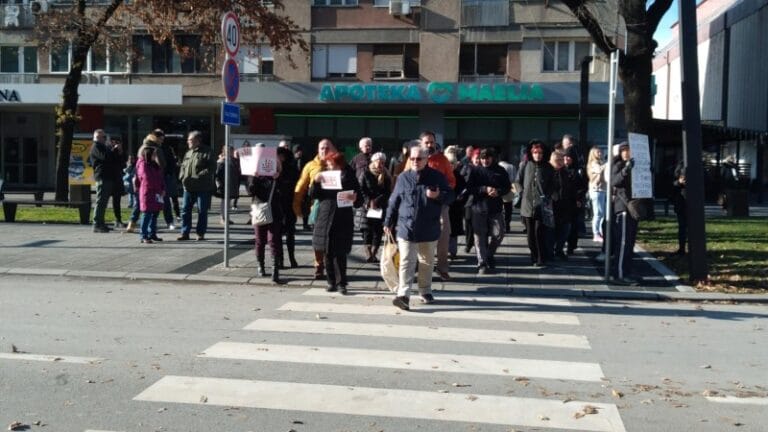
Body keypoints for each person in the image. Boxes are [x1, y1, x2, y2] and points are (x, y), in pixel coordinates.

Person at [385, 145, 455, 311]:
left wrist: (438, 195)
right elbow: (393, 201)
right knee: (406, 261)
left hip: (429, 227)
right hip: (406, 227)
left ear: (426, 160)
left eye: (419, 159)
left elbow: (451, 196)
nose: (415, 161)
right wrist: (388, 221)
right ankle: (403, 295)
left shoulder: (436, 177)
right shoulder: (403, 177)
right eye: (413, 158)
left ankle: (425, 290)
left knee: (427, 261)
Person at [310, 151, 362, 294]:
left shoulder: (349, 176)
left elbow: (359, 200)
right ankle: (331, 282)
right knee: (327, 252)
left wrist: (354, 197)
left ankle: (341, 283)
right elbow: (314, 195)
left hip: (342, 218)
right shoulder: (323, 176)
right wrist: (315, 182)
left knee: (340, 253)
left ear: (339, 164)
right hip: (325, 217)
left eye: (332, 164)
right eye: (327, 164)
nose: (329, 167)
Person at [414, 131, 456, 281]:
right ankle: (418, 266)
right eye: (427, 142)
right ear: (421, 144)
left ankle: (442, 267)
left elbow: (452, 181)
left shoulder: (442, 160)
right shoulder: (413, 159)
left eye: (432, 142)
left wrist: (441, 192)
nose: (430, 145)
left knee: (444, 233)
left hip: (439, 203)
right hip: (419, 204)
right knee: (417, 235)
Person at [294, 139, 337, 279]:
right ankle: (318, 266)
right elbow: (301, 185)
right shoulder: (311, 165)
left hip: (335, 208)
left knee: (332, 240)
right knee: (318, 239)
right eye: (321, 148)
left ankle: (330, 265)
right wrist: (296, 205)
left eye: (327, 148)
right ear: (318, 150)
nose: (324, 150)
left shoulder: (339, 165)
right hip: (318, 207)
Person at [466, 147, 511, 273]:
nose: (485, 161)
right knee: (479, 237)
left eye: (487, 158)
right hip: (478, 208)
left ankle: (489, 254)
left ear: (493, 158)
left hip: (495, 208)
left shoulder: (500, 170)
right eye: (482, 158)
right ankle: (482, 262)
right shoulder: (475, 171)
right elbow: (470, 188)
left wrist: (498, 191)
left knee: (499, 234)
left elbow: (508, 187)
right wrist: (484, 189)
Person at [517, 140, 555, 267]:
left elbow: (553, 185)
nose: (537, 155)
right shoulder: (525, 165)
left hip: (541, 206)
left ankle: (541, 258)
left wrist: (547, 196)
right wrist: (521, 192)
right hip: (527, 206)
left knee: (539, 232)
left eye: (540, 153)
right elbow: (517, 182)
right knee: (530, 235)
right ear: (531, 153)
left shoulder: (548, 168)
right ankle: (533, 256)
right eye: (535, 152)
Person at [248, 158, 284, 284]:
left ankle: (275, 271)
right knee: (259, 240)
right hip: (259, 210)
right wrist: (254, 178)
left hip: (274, 212)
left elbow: (284, 192)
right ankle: (261, 266)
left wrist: (278, 176)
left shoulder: (277, 176)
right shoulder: (255, 175)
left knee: (273, 240)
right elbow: (250, 192)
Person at [611, 142, 641, 285]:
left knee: (629, 243)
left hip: (632, 209)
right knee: (622, 243)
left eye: (629, 150)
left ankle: (626, 271)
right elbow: (614, 181)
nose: (626, 153)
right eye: (624, 150)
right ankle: (619, 274)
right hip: (622, 208)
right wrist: (625, 170)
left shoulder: (636, 166)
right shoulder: (618, 165)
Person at [177, 131, 216, 241]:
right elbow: (183, 166)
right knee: (185, 210)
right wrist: (182, 177)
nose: (188, 142)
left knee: (202, 211)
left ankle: (200, 233)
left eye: (190, 140)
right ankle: (185, 233)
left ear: (197, 140)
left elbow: (212, 168)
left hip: (203, 187)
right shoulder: (188, 153)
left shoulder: (207, 151)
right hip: (188, 188)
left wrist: (199, 175)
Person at [126, 134, 164, 233]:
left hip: (150, 188)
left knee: (144, 207)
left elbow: (157, 175)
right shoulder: (147, 154)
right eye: (159, 140)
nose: (161, 142)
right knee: (145, 209)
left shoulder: (148, 154)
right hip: (147, 189)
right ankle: (144, 232)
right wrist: (159, 189)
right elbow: (148, 178)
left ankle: (149, 231)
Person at [360, 152, 392, 263]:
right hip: (367, 207)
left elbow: (388, 191)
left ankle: (374, 253)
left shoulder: (386, 175)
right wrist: (369, 201)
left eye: (383, 162)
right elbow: (361, 189)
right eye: (379, 162)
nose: (381, 164)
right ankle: (368, 252)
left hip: (380, 206)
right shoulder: (365, 173)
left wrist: (378, 201)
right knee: (366, 230)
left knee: (378, 231)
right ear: (373, 162)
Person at [89, 129, 123, 233]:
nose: (105, 139)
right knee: (101, 201)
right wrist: (113, 150)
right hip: (102, 177)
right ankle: (96, 224)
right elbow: (104, 157)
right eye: (103, 137)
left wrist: (117, 150)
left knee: (104, 202)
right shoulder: (96, 147)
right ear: (97, 138)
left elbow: (113, 159)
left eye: (105, 137)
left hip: (108, 177)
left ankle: (101, 223)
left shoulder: (104, 147)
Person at [135, 145, 165, 243]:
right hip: (147, 193)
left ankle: (152, 233)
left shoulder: (154, 164)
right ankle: (143, 235)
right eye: (154, 154)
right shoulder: (143, 164)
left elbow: (160, 178)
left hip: (156, 193)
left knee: (155, 214)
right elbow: (147, 179)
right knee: (147, 214)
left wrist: (163, 188)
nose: (156, 156)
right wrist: (159, 189)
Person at [277, 146, 300, 268]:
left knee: (290, 234)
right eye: (278, 155)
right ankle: (280, 259)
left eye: (282, 155)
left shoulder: (292, 169)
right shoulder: (273, 168)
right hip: (277, 205)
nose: (280, 158)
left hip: (290, 206)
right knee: (278, 234)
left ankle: (292, 258)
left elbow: (297, 186)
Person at [564, 146, 587, 255]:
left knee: (573, 225)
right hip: (563, 201)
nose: (566, 160)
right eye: (565, 157)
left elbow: (583, 186)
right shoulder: (561, 169)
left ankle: (571, 246)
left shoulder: (579, 170)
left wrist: (578, 197)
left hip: (575, 202)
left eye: (568, 157)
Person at [154, 129, 179, 230]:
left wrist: (168, 173)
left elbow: (171, 162)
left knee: (165, 200)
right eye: (158, 136)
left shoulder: (166, 148)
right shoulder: (150, 147)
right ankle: (150, 223)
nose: (161, 139)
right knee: (152, 202)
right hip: (153, 178)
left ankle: (169, 221)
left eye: (162, 136)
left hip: (164, 177)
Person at [444, 146, 465, 260]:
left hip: (455, 207)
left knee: (453, 232)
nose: (451, 166)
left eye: (453, 163)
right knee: (444, 231)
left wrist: (460, 196)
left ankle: (452, 252)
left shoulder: (459, 176)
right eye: (449, 163)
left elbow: (463, 189)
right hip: (444, 206)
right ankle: (443, 251)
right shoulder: (442, 175)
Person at [215, 146, 239, 225]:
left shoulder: (234, 160)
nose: (231, 152)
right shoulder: (221, 161)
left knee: (228, 202)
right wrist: (218, 184)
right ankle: (222, 218)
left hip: (231, 184)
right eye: (229, 151)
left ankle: (227, 218)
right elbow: (217, 174)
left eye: (232, 151)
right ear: (225, 151)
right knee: (224, 201)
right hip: (224, 184)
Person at [587, 146, 606, 242]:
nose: (600, 153)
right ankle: (596, 233)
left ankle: (601, 232)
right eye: (598, 152)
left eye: (601, 152)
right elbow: (599, 170)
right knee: (598, 213)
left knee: (602, 213)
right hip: (596, 190)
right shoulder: (593, 163)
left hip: (602, 190)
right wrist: (608, 164)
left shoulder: (601, 162)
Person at [108, 136, 127, 229]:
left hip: (118, 178)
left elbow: (123, 164)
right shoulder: (108, 150)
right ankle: (100, 220)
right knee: (104, 200)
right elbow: (109, 160)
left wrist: (120, 152)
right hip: (109, 178)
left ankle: (118, 219)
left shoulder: (121, 152)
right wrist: (115, 150)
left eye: (119, 143)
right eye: (115, 142)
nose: (117, 144)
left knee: (117, 200)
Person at [498, 154, 518, 233]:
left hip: (499, 189)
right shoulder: (512, 166)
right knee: (508, 209)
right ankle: (507, 225)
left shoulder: (498, 166)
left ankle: (500, 225)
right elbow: (514, 179)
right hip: (509, 189)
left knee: (499, 209)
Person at [672, 161, 687, 256]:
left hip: (692, 201)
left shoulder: (698, 164)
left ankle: (691, 249)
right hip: (681, 202)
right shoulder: (681, 165)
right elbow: (673, 183)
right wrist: (679, 182)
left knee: (689, 228)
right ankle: (682, 249)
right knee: (682, 227)